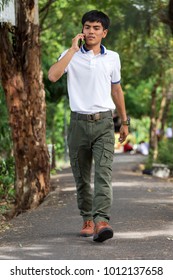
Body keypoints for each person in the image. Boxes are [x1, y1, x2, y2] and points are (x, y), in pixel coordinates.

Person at [48, 10, 129, 242]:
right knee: (81, 176)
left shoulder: (112, 57)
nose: (90, 31)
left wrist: (124, 121)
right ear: (82, 30)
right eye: (87, 27)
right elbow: (53, 76)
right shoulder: (69, 54)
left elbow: (116, 90)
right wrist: (72, 50)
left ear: (104, 32)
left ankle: (102, 221)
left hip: (104, 122)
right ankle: (87, 219)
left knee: (103, 173)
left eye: (96, 28)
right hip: (78, 124)